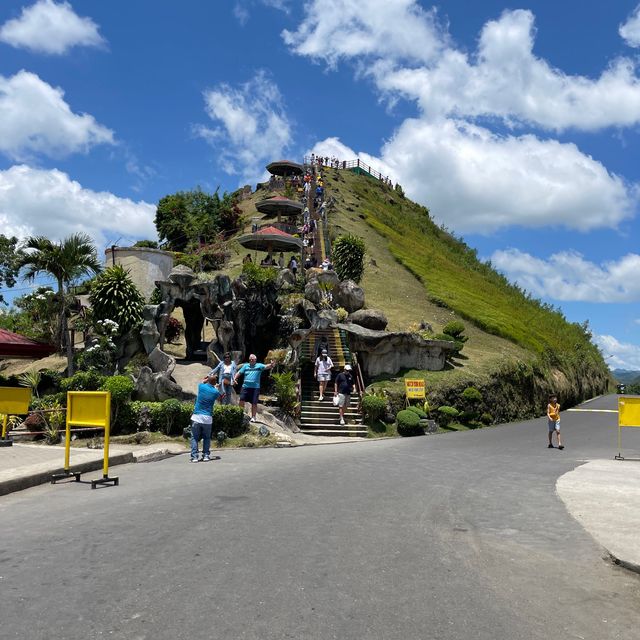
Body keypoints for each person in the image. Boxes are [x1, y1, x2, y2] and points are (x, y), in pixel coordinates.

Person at [190, 372, 224, 462]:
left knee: (194, 437)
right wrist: (216, 388)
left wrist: (206, 379)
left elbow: (202, 382)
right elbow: (220, 399)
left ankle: (194, 457)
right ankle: (206, 455)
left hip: (196, 417)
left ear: (208, 380)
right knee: (207, 438)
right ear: (215, 382)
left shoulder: (201, 386)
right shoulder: (215, 392)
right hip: (207, 418)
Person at [234, 354, 276, 422]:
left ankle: (253, 417)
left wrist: (271, 365)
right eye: (250, 359)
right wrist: (235, 378)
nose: (251, 360)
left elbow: (266, 366)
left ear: (255, 360)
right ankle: (240, 413)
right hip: (245, 386)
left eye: (252, 359)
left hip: (255, 388)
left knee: (254, 403)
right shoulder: (245, 366)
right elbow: (239, 372)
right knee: (241, 400)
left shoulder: (259, 366)